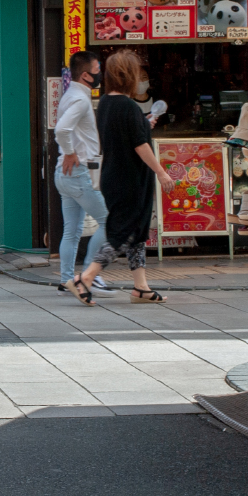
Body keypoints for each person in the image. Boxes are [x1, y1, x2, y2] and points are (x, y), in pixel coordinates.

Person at [69, 50, 176, 306]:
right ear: (128, 75)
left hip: (113, 176)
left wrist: (142, 122)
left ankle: (141, 287)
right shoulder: (127, 106)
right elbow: (140, 145)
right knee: (124, 232)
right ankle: (86, 277)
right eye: (137, 73)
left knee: (137, 232)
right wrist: (161, 172)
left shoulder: (105, 102)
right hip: (130, 179)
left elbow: (124, 133)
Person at [54, 51, 111, 297]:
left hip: (64, 175)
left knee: (72, 231)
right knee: (110, 222)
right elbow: (62, 129)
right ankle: (90, 274)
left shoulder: (71, 95)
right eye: (98, 69)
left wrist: (67, 153)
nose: (101, 74)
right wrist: (69, 152)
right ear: (86, 75)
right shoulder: (80, 99)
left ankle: (68, 279)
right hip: (77, 172)